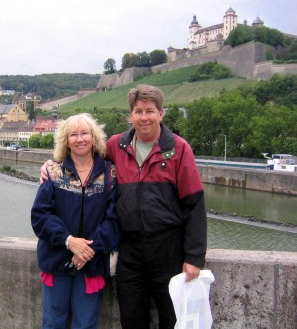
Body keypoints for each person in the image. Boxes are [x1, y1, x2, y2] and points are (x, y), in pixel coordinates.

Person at [40, 85, 207, 329]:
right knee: (131, 320)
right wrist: (51, 165)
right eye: (138, 111)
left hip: (168, 250)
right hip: (130, 251)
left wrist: (194, 257)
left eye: (150, 111)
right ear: (130, 115)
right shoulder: (117, 146)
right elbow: (82, 157)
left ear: (161, 113)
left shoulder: (179, 149)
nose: (144, 117)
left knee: (172, 320)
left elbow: (194, 205)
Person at [31, 113, 119, 329]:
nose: (80, 139)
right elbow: (40, 216)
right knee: (53, 322)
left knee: (86, 324)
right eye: (74, 135)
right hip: (57, 258)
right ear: (66, 141)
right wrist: (69, 241)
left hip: (92, 261)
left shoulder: (110, 174)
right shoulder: (53, 172)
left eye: (84, 133)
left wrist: (89, 249)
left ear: (93, 137)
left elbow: (114, 220)